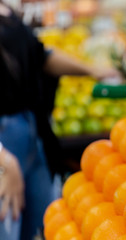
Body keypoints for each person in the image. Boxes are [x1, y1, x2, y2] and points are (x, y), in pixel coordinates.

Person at [0, 2, 119, 239]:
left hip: (31, 129)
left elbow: (40, 56)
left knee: (45, 221)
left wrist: (92, 70)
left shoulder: (7, 9)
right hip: (4, 142)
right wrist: (2, 158)